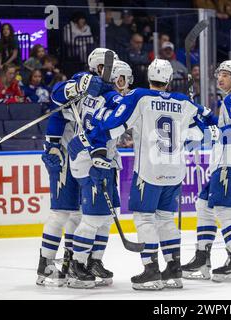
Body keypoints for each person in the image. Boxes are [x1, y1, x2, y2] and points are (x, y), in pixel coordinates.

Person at [81, 59, 212, 290]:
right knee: (165, 219)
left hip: (149, 171)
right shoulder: (183, 101)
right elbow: (203, 129)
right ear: (170, 79)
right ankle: (173, 269)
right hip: (175, 171)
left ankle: (151, 270)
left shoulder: (140, 96)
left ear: (148, 76)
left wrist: (98, 122)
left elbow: (114, 125)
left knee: (144, 218)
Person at [35, 48, 119, 288]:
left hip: (82, 157)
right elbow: (56, 98)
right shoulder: (82, 80)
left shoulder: (108, 93)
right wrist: (79, 86)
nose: (110, 72)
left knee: (79, 214)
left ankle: (71, 262)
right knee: (62, 211)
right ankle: (46, 263)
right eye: (106, 67)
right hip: (61, 153)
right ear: (95, 66)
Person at [182, 60, 231, 282]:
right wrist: (204, 114)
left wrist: (211, 132)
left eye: (225, 74)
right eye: (219, 75)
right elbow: (225, 125)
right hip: (226, 162)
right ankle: (202, 256)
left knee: (224, 210)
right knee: (203, 204)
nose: (220, 78)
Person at [66, 60, 133, 288]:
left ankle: (94, 261)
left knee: (106, 217)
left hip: (105, 161)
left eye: (125, 79)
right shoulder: (109, 98)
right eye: (121, 79)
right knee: (94, 218)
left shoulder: (100, 96)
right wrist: (98, 156)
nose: (123, 84)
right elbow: (98, 129)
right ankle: (77, 265)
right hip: (92, 161)